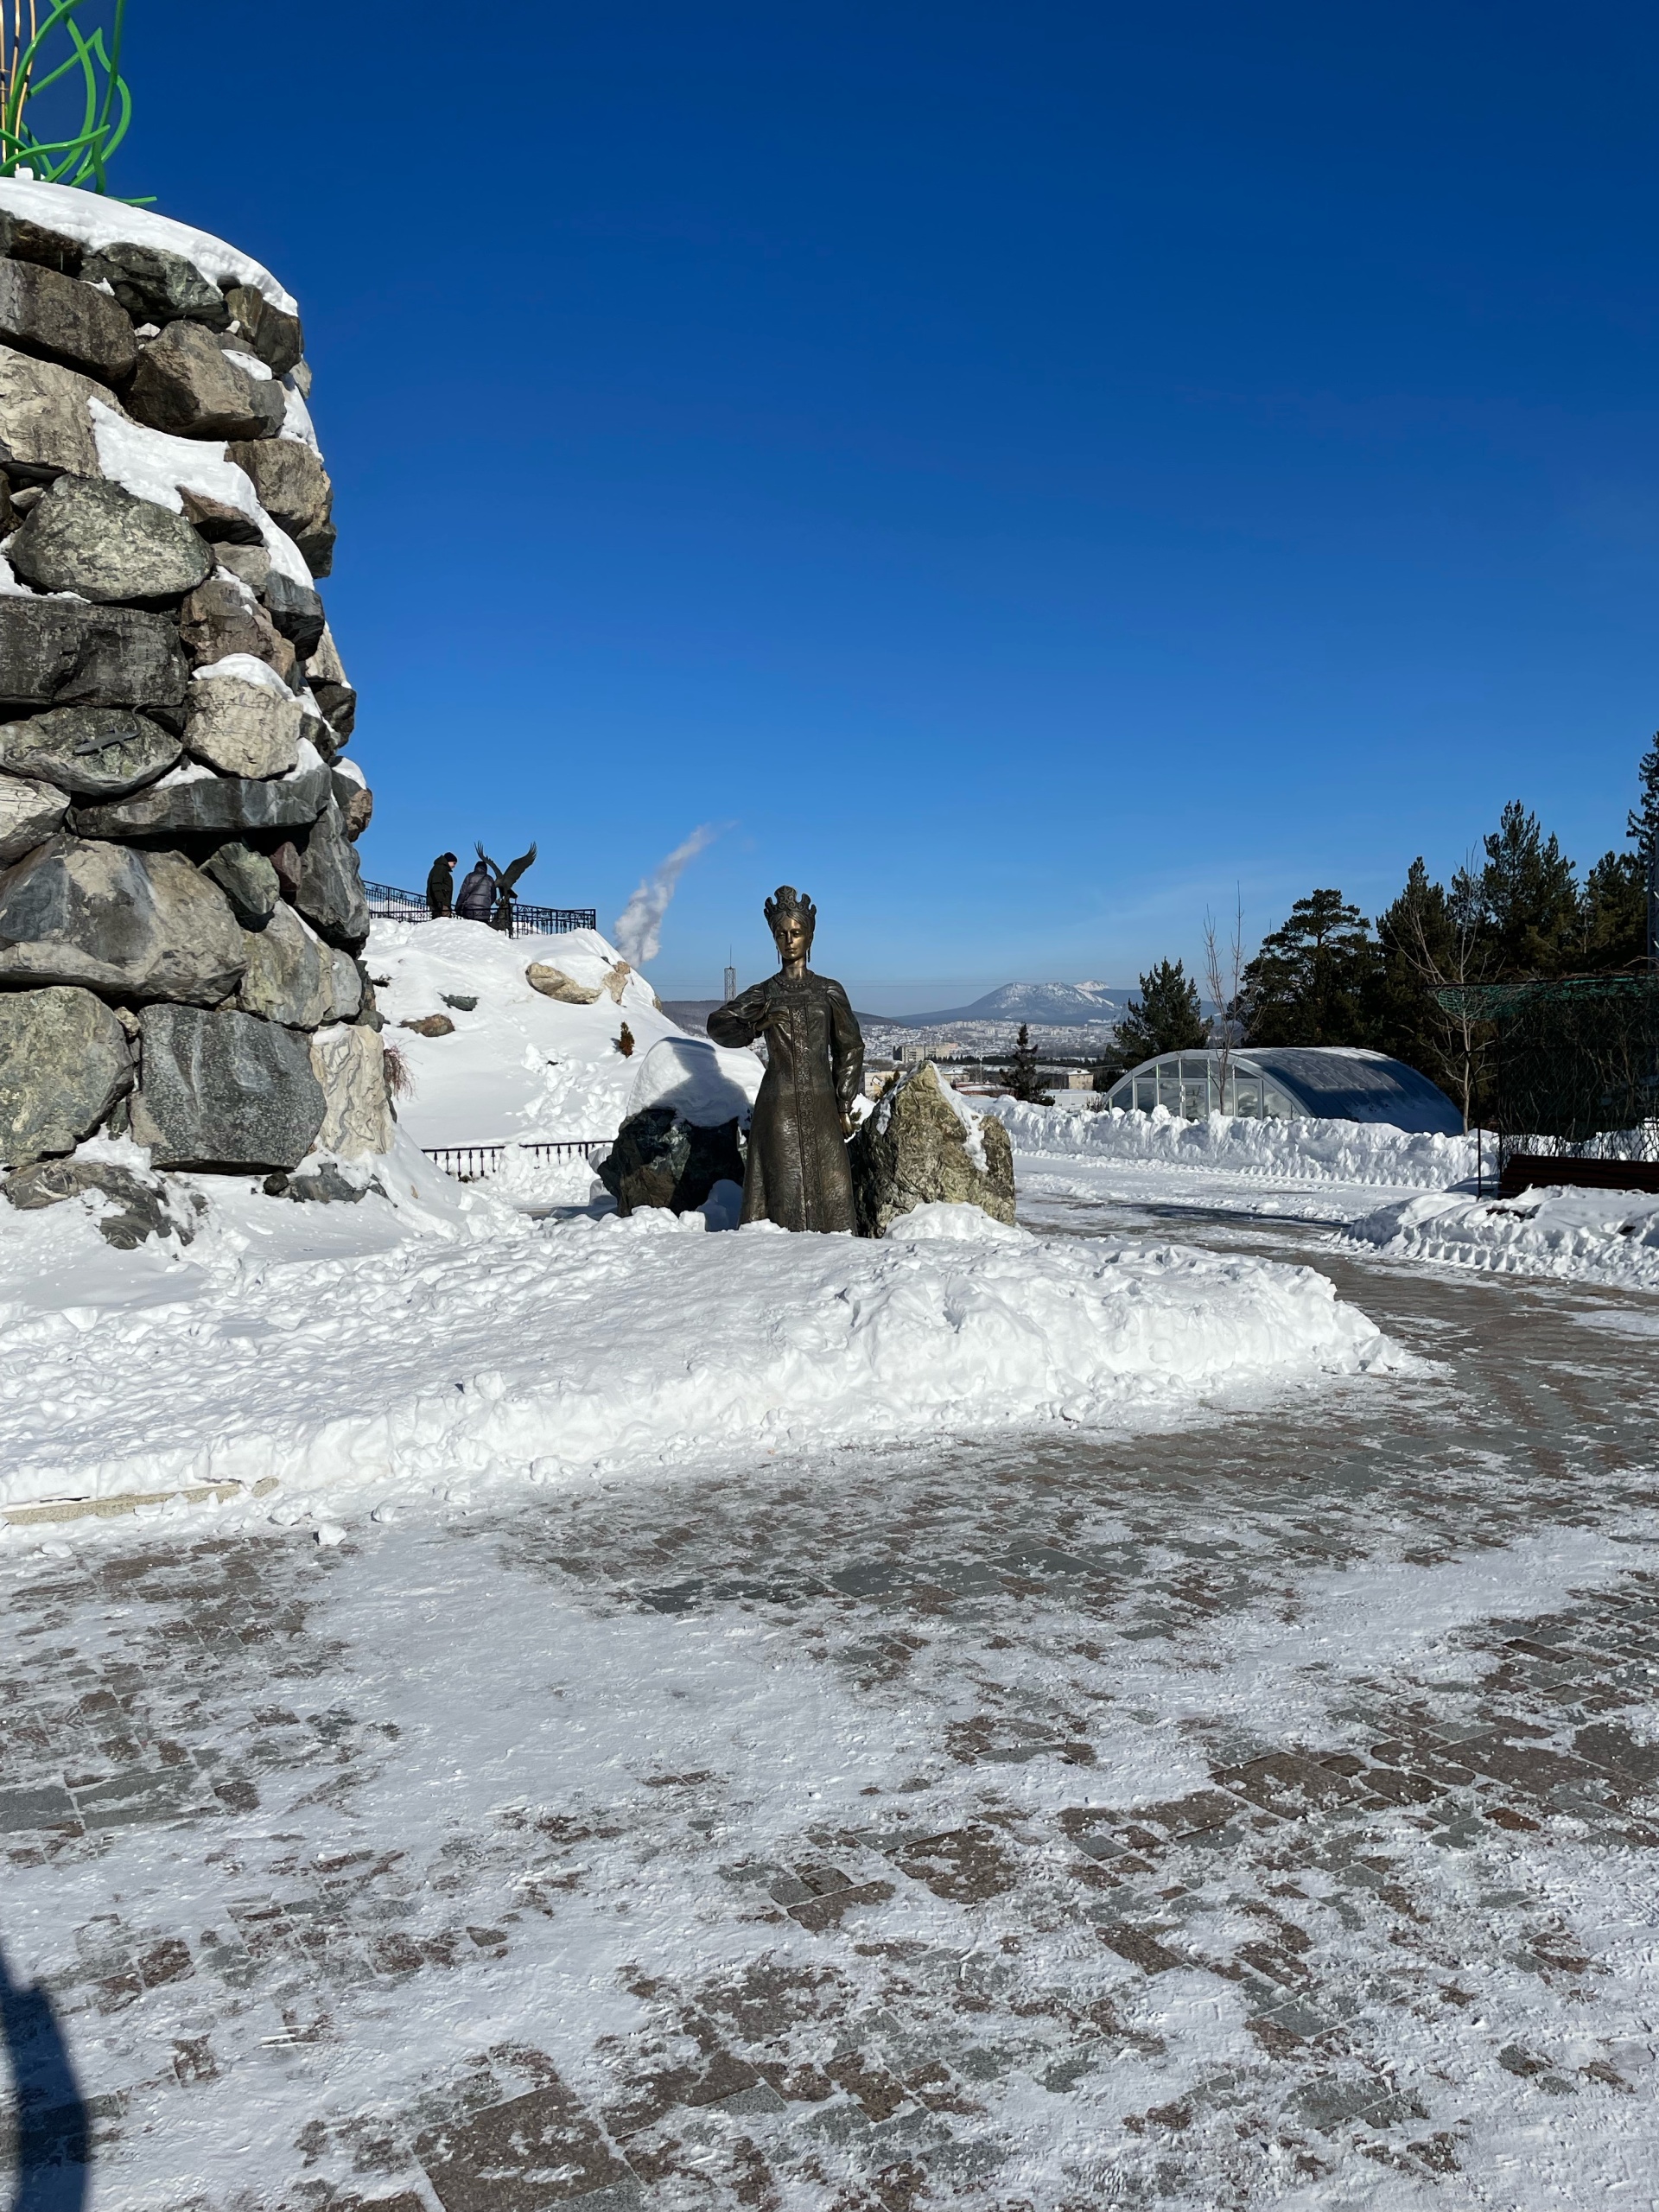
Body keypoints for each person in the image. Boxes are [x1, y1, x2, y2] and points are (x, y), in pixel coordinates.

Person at [707, 885, 863, 1231]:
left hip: (823, 1103)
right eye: (782, 934)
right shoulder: (765, 992)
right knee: (783, 1185)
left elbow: (849, 1047)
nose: (789, 940)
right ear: (774, 940)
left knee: (832, 1183)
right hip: (777, 1103)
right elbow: (717, 1025)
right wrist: (756, 1026)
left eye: (796, 933)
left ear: (809, 937)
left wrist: (844, 1102)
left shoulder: (828, 990)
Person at [454, 858, 496, 922]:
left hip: (470, 911)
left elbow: (463, 893)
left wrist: (458, 907)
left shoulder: (470, 876)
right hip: (484, 913)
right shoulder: (490, 879)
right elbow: (493, 896)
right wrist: (486, 905)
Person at [425, 852, 458, 918]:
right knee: (443, 924)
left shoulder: (440, 869)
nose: (454, 866)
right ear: (448, 861)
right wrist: (440, 901)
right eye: (454, 863)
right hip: (441, 903)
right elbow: (436, 885)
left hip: (440, 902)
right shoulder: (440, 869)